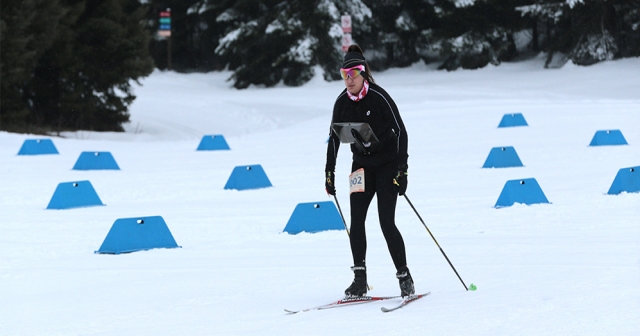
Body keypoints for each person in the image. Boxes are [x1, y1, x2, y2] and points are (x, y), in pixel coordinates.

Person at [324, 44, 414, 298]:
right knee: (357, 221)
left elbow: (401, 132)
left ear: (363, 72)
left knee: (386, 222)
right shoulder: (341, 103)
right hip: (361, 166)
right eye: (344, 74)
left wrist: (402, 169)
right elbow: (333, 139)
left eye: (353, 74)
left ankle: (404, 277)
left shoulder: (379, 96)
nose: (349, 80)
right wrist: (329, 172)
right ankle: (359, 280)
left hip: (386, 165)